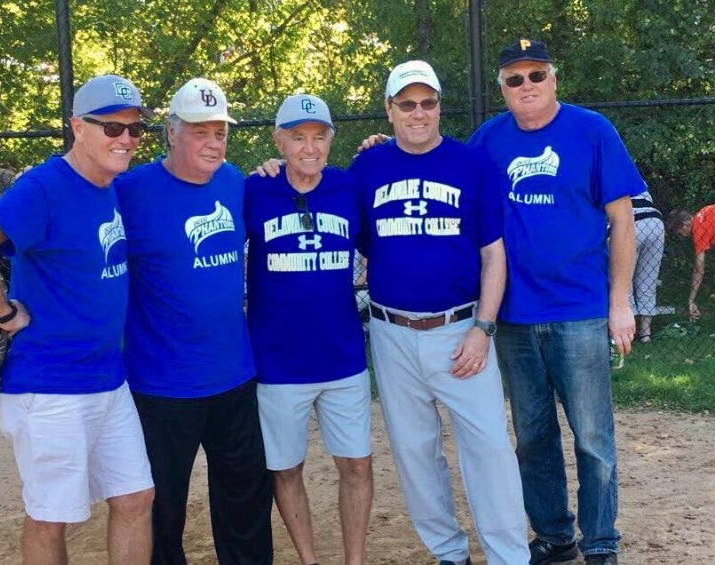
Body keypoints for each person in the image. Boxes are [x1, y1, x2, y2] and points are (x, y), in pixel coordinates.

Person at [0, 74, 156, 565]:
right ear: (77, 127)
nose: (125, 139)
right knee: (51, 515)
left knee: (135, 498)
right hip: (51, 384)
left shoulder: (106, 185)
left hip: (106, 378)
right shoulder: (45, 186)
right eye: (111, 128)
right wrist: (1, 312)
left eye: (134, 130)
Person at [467, 39, 642, 565]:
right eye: (514, 79)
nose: (527, 86)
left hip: (581, 312)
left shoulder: (592, 132)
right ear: (501, 88)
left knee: (592, 437)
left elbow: (623, 221)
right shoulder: (488, 139)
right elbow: (441, 167)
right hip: (514, 317)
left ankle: (601, 542)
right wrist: (385, 145)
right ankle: (554, 535)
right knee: (533, 436)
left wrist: (620, 303)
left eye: (536, 75)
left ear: (554, 78)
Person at [349, 60, 530, 565]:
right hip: (391, 330)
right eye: (406, 104)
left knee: (490, 447)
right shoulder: (367, 168)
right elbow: (340, 218)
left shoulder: (470, 164)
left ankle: (509, 555)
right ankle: (449, 553)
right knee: (413, 452)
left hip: (461, 328)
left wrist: (483, 328)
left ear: (438, 106)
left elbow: (494, 254)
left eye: (427, 102)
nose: (418, 113)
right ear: (389, 110)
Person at [113, 77, 273, 565]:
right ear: (171, 132)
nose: (213, 143)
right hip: (162, 385)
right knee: (162, 509)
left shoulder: (235, 181)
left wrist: (275, 169)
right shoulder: (131, 190)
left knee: (246, 499)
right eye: (201, 132)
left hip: (234, 377)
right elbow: (71, 235)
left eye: (220, 132)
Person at [245, 94, 372, 565]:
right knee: (285, 468)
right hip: (277, 361)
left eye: (319, 136)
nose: (310, 147)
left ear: (331, 139)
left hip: (342, 356)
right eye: (297, 137)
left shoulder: (349, 188)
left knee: (356, 464)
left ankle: (354, 561)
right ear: (279, 141)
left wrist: (377, 145)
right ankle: (309, 559)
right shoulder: (254, 190)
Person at [666, 206, 715, 321]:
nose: (682, 237)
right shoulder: (704, 212)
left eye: (680, 233)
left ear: (686, 224)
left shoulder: (699, 229)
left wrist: (691, 300)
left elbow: (699, 269)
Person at [630, 189, 664, 340]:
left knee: (624, 281)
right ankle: (645, 334)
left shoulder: (602, 171)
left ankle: (629, 332)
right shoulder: (635, 175)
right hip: (655, 220)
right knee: (648, 281)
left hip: (630, 221)